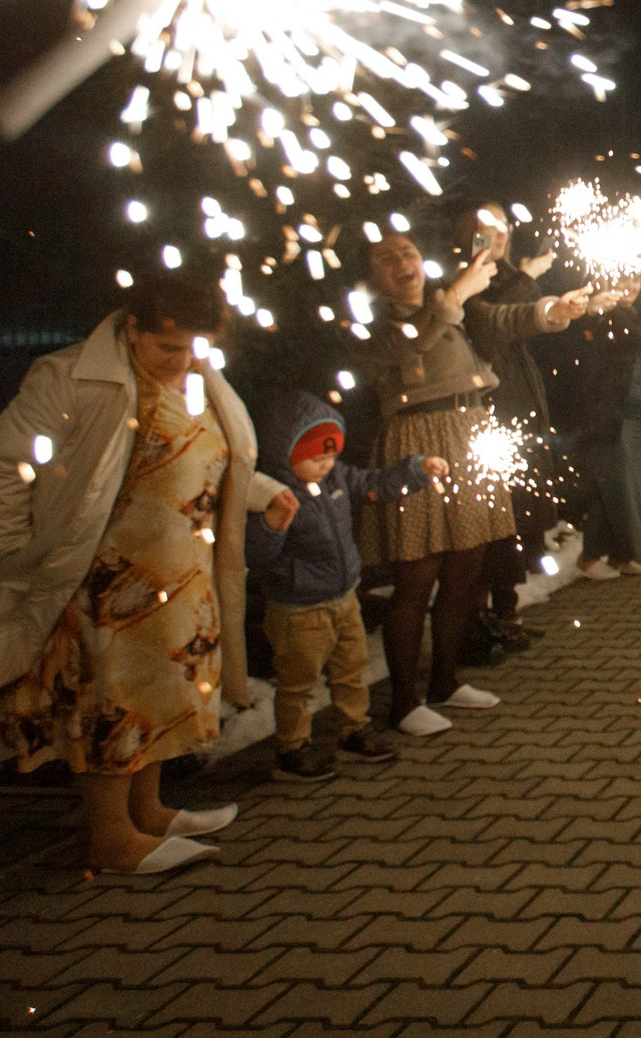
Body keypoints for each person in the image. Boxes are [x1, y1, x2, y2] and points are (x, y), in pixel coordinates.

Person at [0, 275, 294, 874]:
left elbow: (200, 455)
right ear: (131, 328)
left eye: (194, 348)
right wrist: (9, 555)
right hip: (104, 581)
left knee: (165, 695)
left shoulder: (198, 378)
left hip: (184, 573)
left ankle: (149, 812)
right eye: (167, 348)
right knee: (113, 704)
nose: (182, 363)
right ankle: (111, 837)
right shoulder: (71, 379)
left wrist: (261, 494)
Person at [361, 225, 587, 735]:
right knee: (417, 576)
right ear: (372, 276)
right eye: (386, 258)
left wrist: (556, 309)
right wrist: (455, 297)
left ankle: (444, 681)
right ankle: (402, 702)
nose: (402, 262)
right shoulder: (373, 320)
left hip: (469, 434)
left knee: (467, 564)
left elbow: (505, 319)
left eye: (408, 250)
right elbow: (403, 353)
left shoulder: (453, 304)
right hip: (415, 443)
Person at [248, 394, 441, 782]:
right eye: (316, 458)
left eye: (330, 456)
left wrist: (417, 470)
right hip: (298, 609)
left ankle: (353, 731)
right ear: (286, 452)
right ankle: (292, 748)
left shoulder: (336, 478)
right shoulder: (275, 496)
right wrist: (272, 524)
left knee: (351, 670)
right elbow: (256, 555)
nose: (326, 466)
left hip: (343, 598)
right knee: (298, 682)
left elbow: (374, 483)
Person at [458, 203, 565, 654]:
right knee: (488, 519)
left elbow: (525, 318)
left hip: (518, 401)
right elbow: (496, 322)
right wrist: (527, 277)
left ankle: (506, 611)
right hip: (487, 407)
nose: (498, 232)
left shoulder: (505, 277)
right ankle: (478, 620)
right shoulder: (466, 280)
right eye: (487, 224)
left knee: (514, 515)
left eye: (503, 224)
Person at [575, 282, 641, 578]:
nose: (630, 287)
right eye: (623, 280)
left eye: (635, 279)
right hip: (615, 411)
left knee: (627, 484)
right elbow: (585, 341)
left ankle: (610, 555)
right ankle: (627, 553)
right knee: (622, 485)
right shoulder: (602, 313)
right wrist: (593, 311)